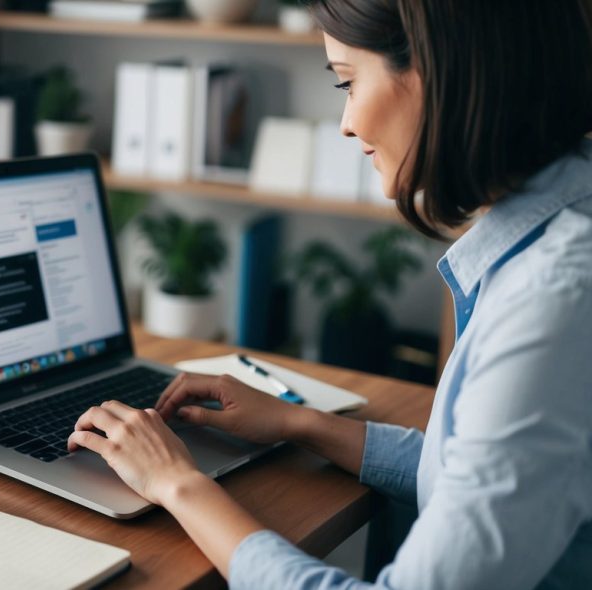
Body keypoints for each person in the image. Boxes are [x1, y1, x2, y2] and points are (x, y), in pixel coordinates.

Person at [67, 0, 592, 587]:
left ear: (435, 71)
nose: (345, 122)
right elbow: (469, 471)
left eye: (347, 82)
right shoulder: (557, 245)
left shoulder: (557, 302)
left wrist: (177, 483)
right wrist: (301, 424)